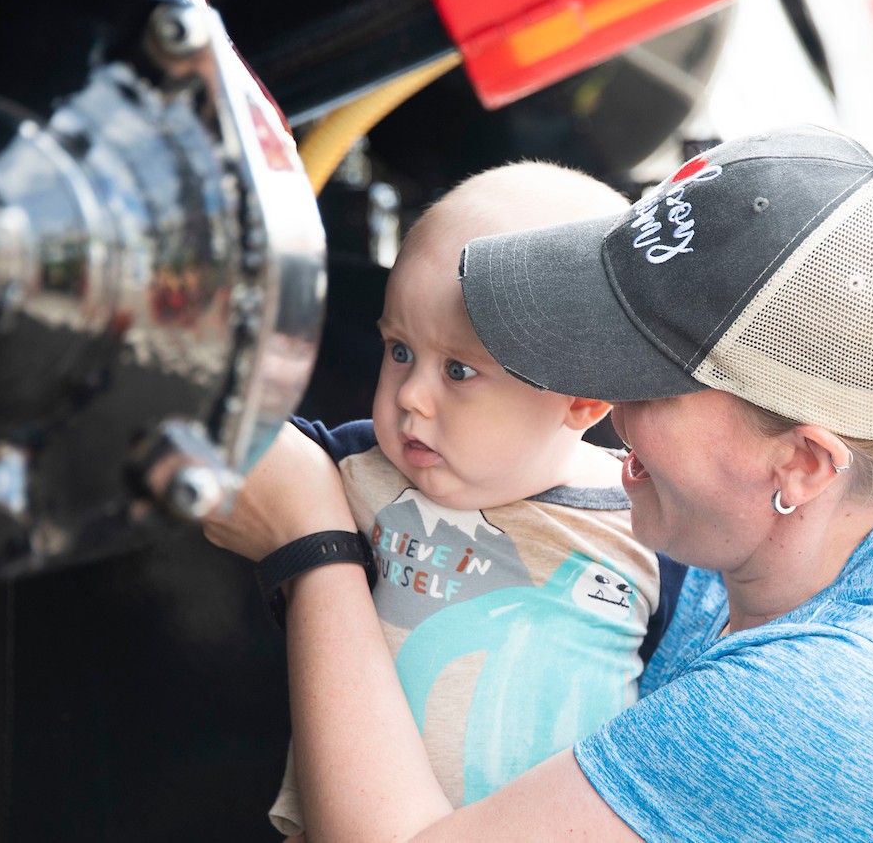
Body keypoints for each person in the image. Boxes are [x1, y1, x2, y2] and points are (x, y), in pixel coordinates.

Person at [204, 124, 873, 841]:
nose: (599, 397)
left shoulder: (824, 706)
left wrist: (314, 548)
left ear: (802, 465)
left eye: (648, 380)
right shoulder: (786, 556)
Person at [254, 161, 687, 838]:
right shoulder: (357, 465)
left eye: (459, 370)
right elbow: (244, 445)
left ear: (582, 398)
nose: (410, 396)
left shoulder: (651, 531)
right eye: (399, 350)